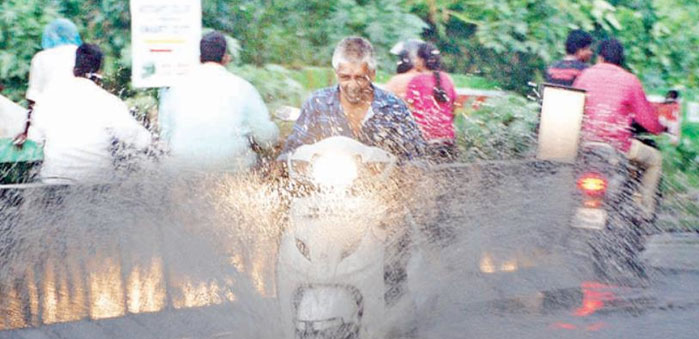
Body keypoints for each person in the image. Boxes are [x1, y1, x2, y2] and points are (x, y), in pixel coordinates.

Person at [280, 36, 426, 161]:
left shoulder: (393, 107)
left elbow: (417, 153)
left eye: (360, 78)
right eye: (345, 77)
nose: (353, 85)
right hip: (324, 182)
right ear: (336, 73)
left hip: (380, 185)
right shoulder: (317, 103)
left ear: (372, 74)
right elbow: (292, 151)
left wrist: (407, 170)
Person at [158, 31, 279, 176]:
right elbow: (267, 138)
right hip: (231, 175)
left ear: (199, 58)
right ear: (226, 58)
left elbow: (165, 136)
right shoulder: (243, 88)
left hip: (183, 172)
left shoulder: (174, 89)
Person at [28, 43, 152, 184]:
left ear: (74, 70)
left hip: (54, 185)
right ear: (100, 72)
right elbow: (140, 141)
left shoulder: (48, 99)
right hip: (96, 188)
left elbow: (35, 138)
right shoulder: (108, 102)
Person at [574, 39, 665, 220]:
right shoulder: (629, 80)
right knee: (655, 159)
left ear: (599, 58)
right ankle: (646, 210)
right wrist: (660, 127)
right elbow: (650, 123)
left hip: (586, 145)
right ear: (621, 60)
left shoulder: (584, 76)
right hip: (617, 147)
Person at [13, 18, 82, 146]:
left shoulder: (40, 58)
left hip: (47, 122)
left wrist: (25, 131)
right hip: (78, 119)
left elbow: (33, 98)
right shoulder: (80, 54)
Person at [404, 42, 458, 161]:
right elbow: (454, 108)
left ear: (422, 60)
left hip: (425, 140)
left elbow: (407, 110)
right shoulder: (447, 79)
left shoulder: (416, 80)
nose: (414, 61)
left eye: (416, 58)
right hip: (448, 139)